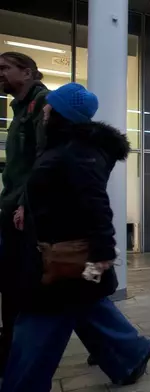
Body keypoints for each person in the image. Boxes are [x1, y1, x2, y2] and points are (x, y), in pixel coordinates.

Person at [0, 83, 150, 391]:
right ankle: (130, 353)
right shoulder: (65, 146)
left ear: (61, 114)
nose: (45, 109)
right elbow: (55, 191)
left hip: (66, 255)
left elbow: (95, 204)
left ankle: (22, 385)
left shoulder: (76, 152)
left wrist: (102, 255)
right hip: (64, 255)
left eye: (50, 106)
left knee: (42, 316)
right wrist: (25, 207)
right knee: (86, 303)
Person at [0, 52, 49, 374]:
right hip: (13, 204)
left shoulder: (41, 107)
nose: (0, 74)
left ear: (27, 72)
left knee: (25, 285)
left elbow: (42, 160)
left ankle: (14, 353)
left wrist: (23, 203)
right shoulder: (20, 109)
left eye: (5, 68)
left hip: (25, 210)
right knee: (14, 283)